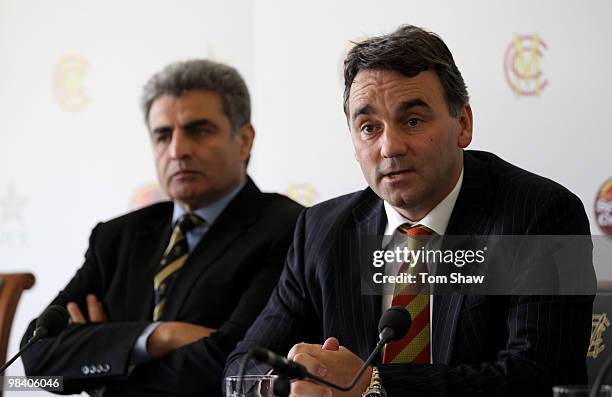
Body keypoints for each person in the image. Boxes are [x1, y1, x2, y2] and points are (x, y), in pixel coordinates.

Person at [224, 25, 594, 396]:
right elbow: (242, 366)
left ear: (462, 124)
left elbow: (542, 375)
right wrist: (291, 382)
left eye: (412, 121)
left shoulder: (540, 214)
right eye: (369, 127)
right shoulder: (321, 230)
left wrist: (373, 386)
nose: (389, 147)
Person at [21, 59, 303, 396]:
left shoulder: (289, 229)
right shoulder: (115, 238)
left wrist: (107, 364)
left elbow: (233, 365)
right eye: (163, 135)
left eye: (199, 130)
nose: (178, 151)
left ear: (243, 140)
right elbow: (36, 356)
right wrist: (160, 335)